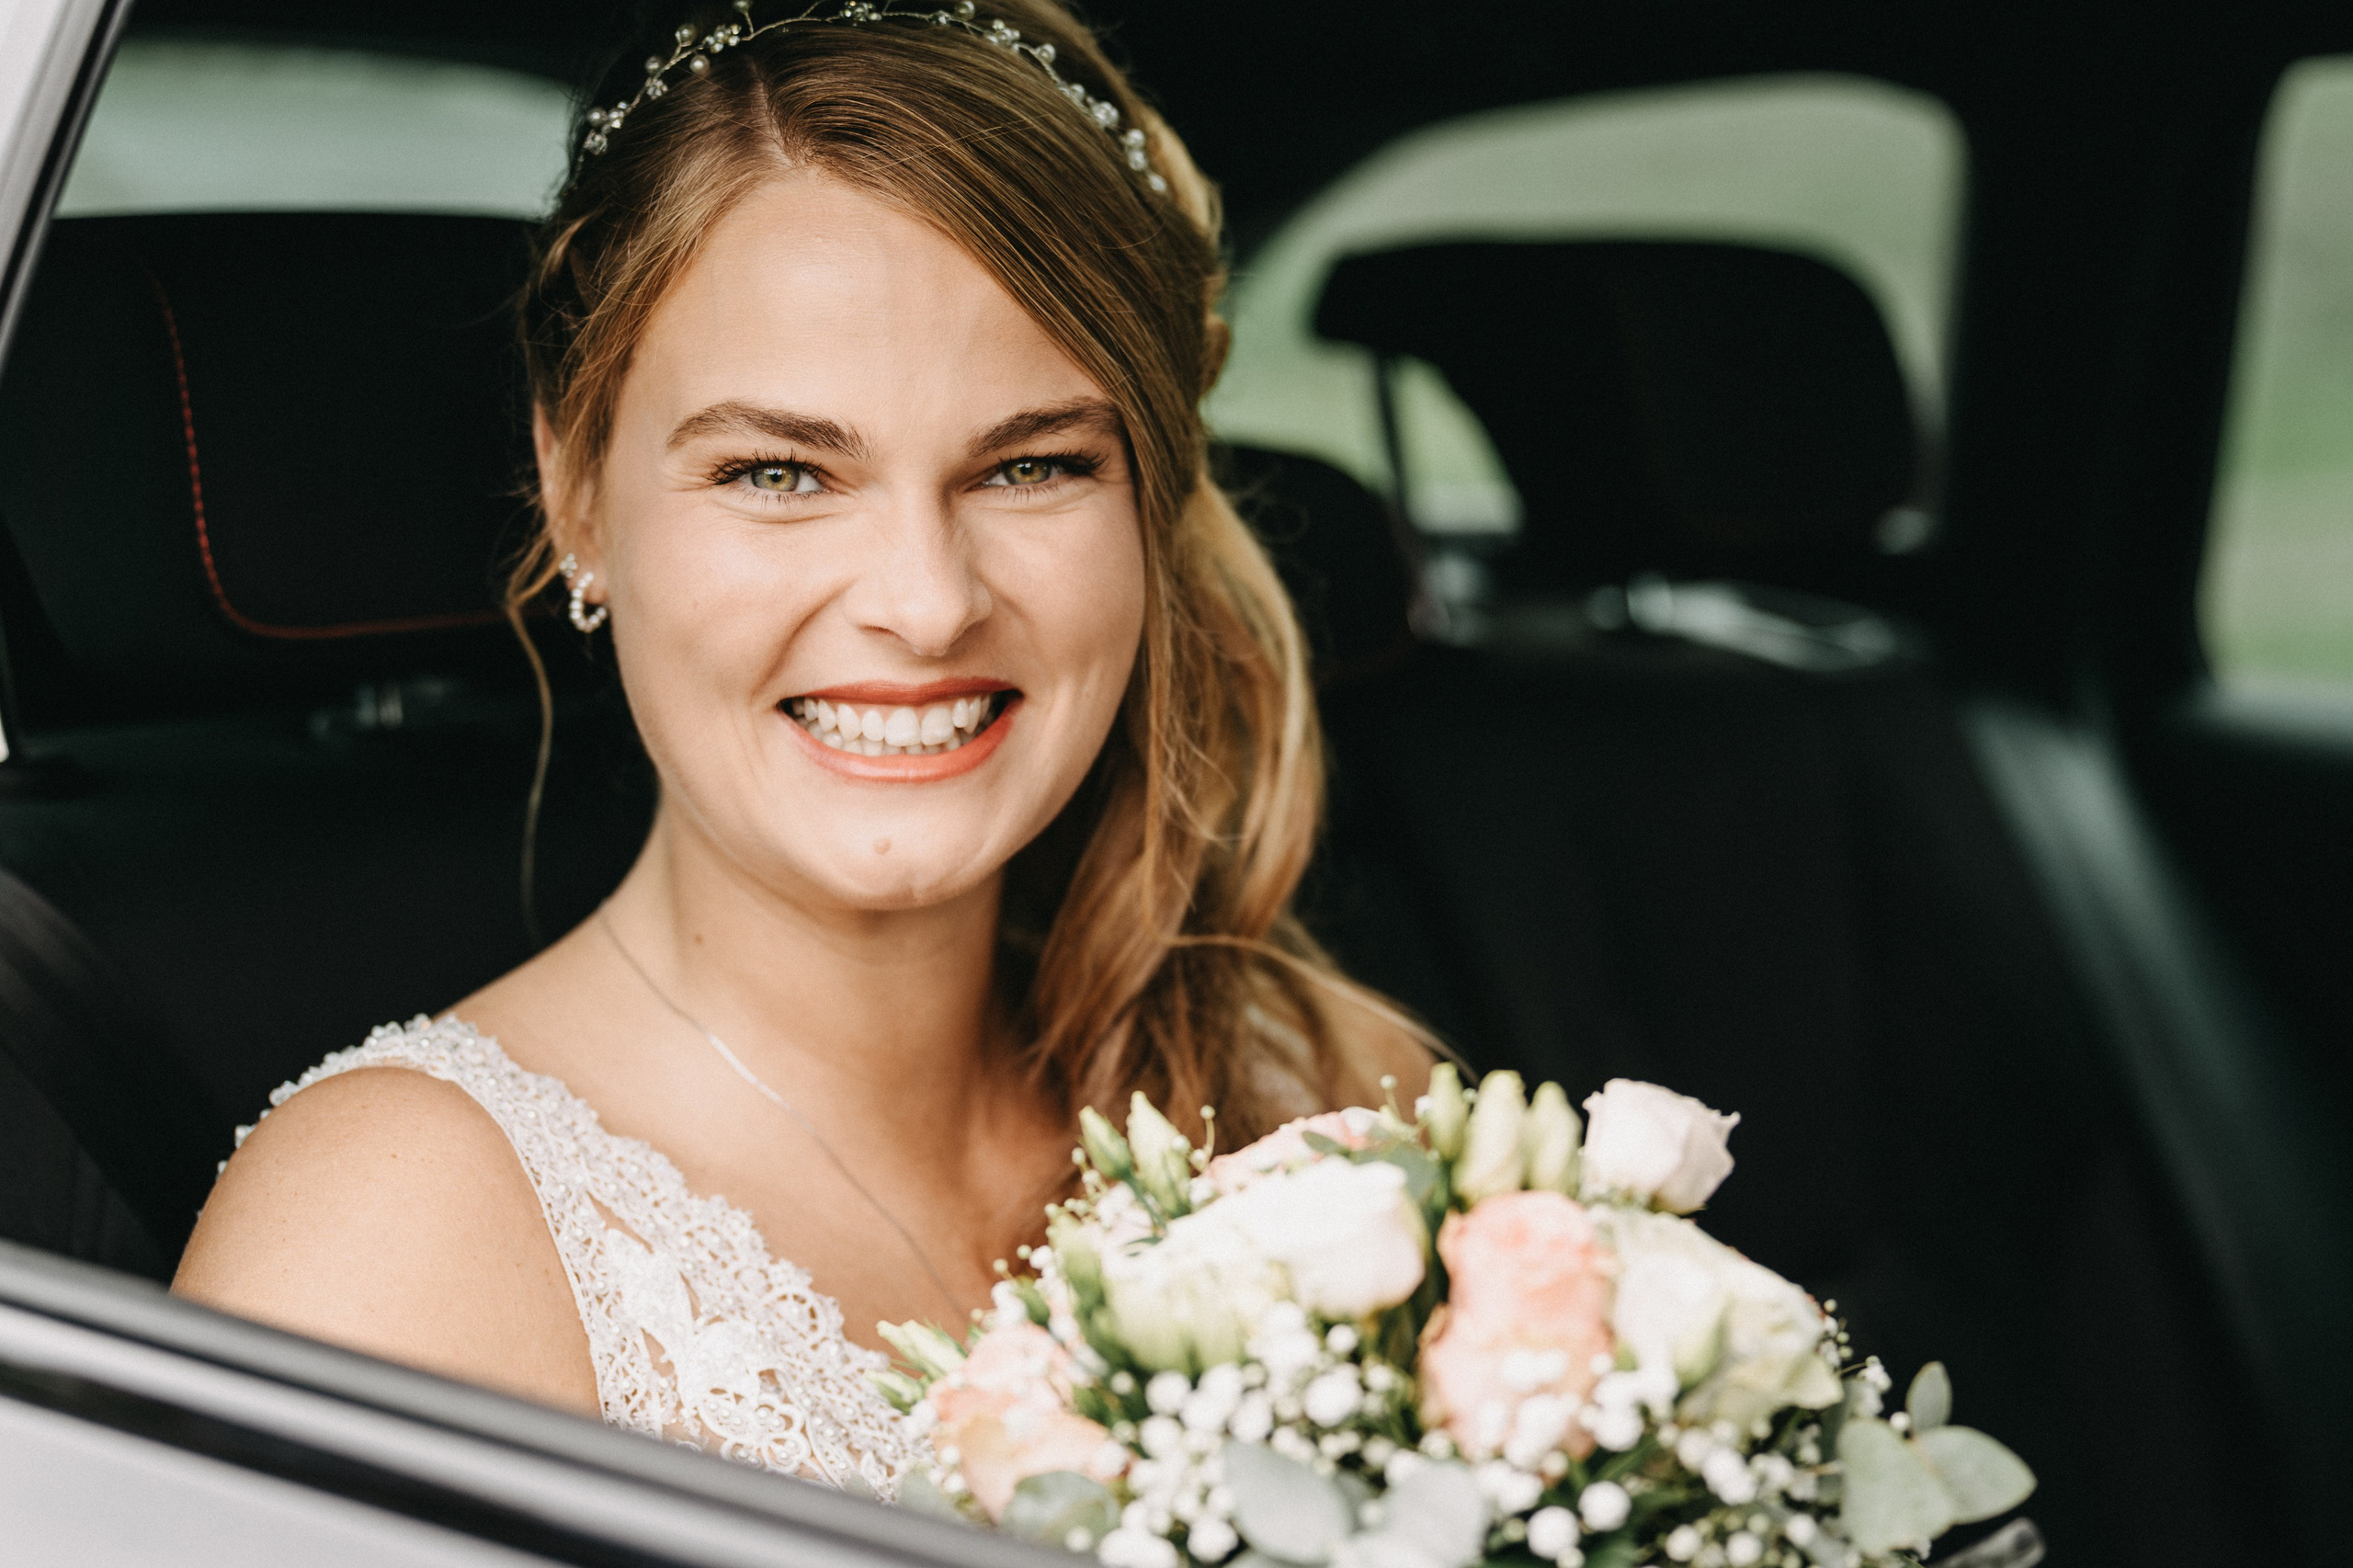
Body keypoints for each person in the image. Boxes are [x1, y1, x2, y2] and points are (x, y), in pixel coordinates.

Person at [171, 0, 1432, 1496]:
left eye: (1033, 464)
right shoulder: (387, 1244)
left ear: (1148, 503)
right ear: (578, 491)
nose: (925, 600)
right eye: (779, 470)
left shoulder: (1329, 1094)